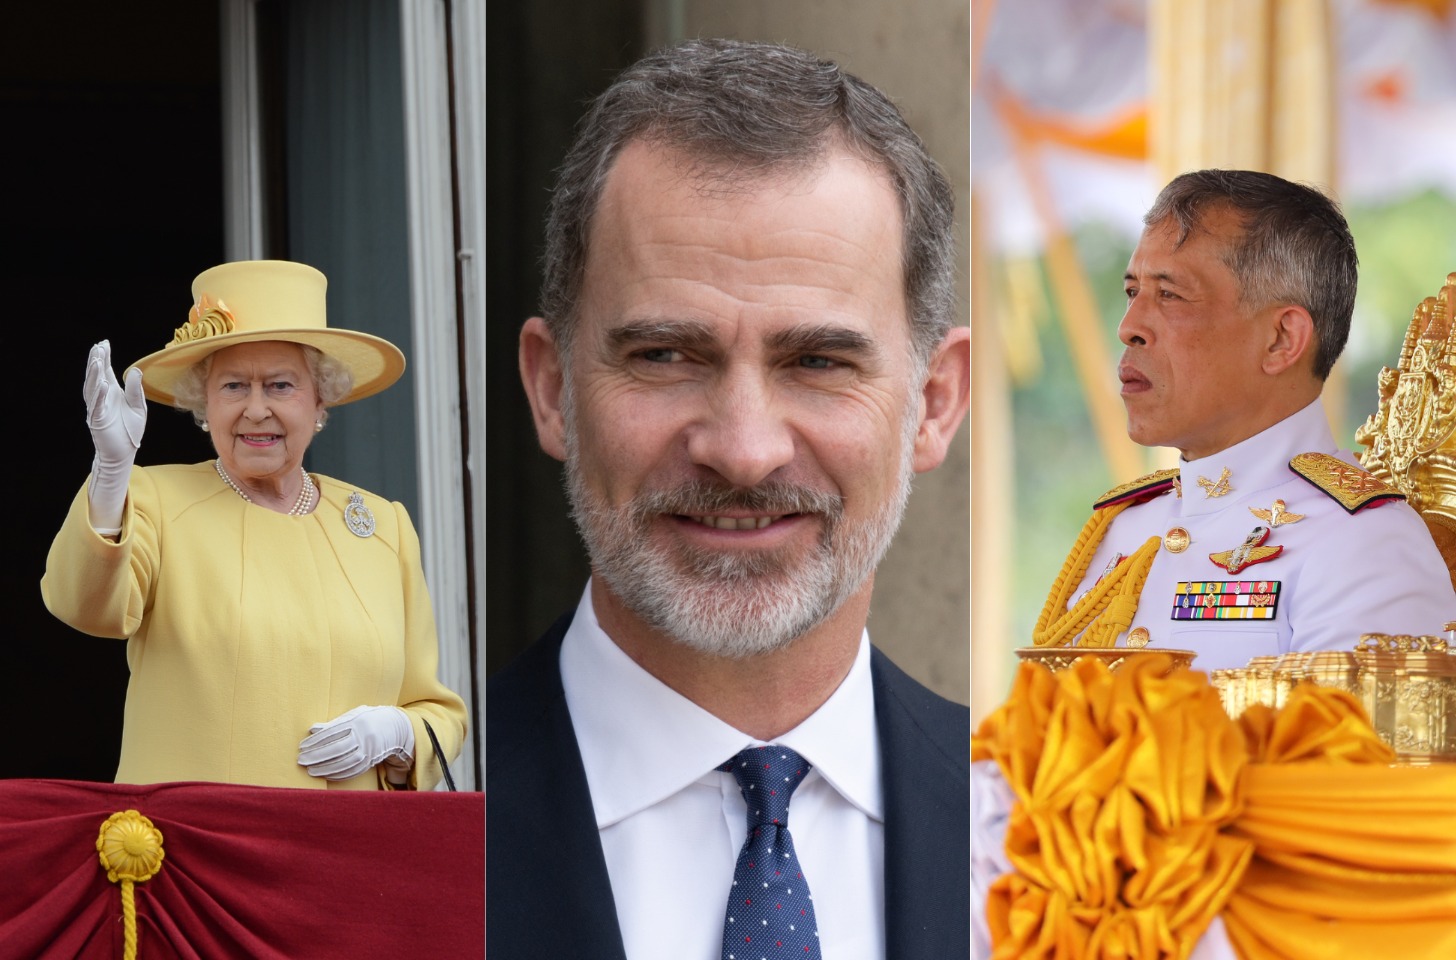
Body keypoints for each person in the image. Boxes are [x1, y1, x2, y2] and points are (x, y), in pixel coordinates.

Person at [486, 38, 972, 960]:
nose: (745, 453)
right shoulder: (411, 818)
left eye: (818, 361)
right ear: (553, 391)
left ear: (934, 403)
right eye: (666, 355)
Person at [42, 259, 467, 790]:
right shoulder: (155, 501)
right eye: (234, 386)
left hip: (348, 838)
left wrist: (399, 734)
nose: (256, 409)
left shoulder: (384, 526)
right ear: (204, 402)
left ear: (319, 399)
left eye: (280, 385)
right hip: (200, 837)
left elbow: (437, 711)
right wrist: (110, 476)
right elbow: (84, 606)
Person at [1033, 169, 1456, 671]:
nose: (1129, 327)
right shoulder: (1121, 528)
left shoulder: (1363, 544)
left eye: (1170, 295)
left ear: (1281, 340)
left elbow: (1340, 728)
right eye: (1132, 292)